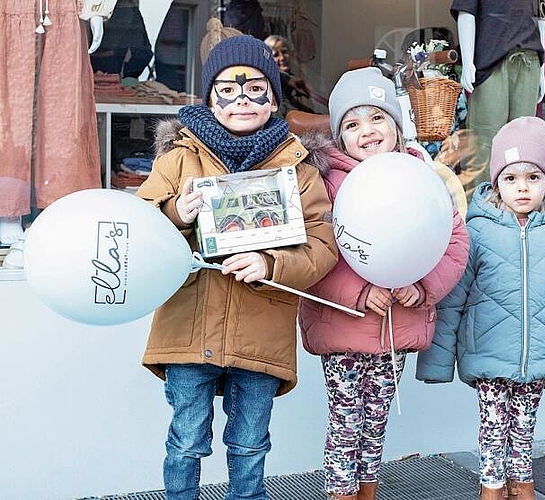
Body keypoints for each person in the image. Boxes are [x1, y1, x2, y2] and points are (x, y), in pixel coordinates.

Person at [135, 35, 338, 500]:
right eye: (228, 90)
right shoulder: (178, 159)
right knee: (186, 442)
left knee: (250, 445)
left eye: (256, 89)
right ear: (209, 97)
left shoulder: (300, 168)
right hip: (189, 326)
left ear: (273, 98)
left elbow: (322, 245)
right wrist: (175, 214)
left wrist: (271, 263)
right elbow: (138, 232)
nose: (242, 100)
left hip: (260, 330)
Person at [416, 116, 545, 500]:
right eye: (511, 178)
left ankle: (522, 486)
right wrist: (437, 361)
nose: (523, 188)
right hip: (490, 353)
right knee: (494, 428)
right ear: (496, 182)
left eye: (533, 177)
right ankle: (493, 489)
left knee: (524, 426)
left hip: (539, 355)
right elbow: (453, 298)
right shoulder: (477, 232)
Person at [298, 67, 470, 500]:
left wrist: (425, 286)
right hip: (345, 329)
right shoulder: (328, 184)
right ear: (339, 137)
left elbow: (453, 240)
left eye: (376, 118)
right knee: (345, 424)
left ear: (396, 125)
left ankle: (367, 491)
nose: (367, 131)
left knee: (375, 426)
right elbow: (316, 253)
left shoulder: (422, 177)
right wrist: (358, 292)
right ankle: (341, 493)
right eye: (352, 125)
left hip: (398, 327)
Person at [0, 0, 114, 246]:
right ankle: (7, 210)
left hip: (65, 12)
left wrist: (96, 10)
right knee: (9, 112)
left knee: (62, 114)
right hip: (8, 10)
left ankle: (57, 209)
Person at [451, 0, 545, 203]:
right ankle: (481, 212)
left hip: (529, 57)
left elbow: (541, 14)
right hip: (492, 59)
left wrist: (542, 70)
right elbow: (466, 11)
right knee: (486, 141)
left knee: (523, 144)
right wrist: (468, 62)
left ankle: (519, 212)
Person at [264, 34, 316, 116]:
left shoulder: (296, 81)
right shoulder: (268, 83)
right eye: (276, 55)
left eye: (284, 52)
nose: (282, 58)